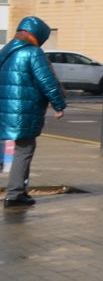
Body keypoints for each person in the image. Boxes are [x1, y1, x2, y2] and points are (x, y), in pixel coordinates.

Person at [0, 16, 67, 207]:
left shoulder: (6, 50)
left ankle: (18, 190)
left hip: (4, 108)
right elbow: (47, 81)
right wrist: (59, 104)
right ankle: (15, 193)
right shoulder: (33, 53)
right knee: (24, 148)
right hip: (24, 109)